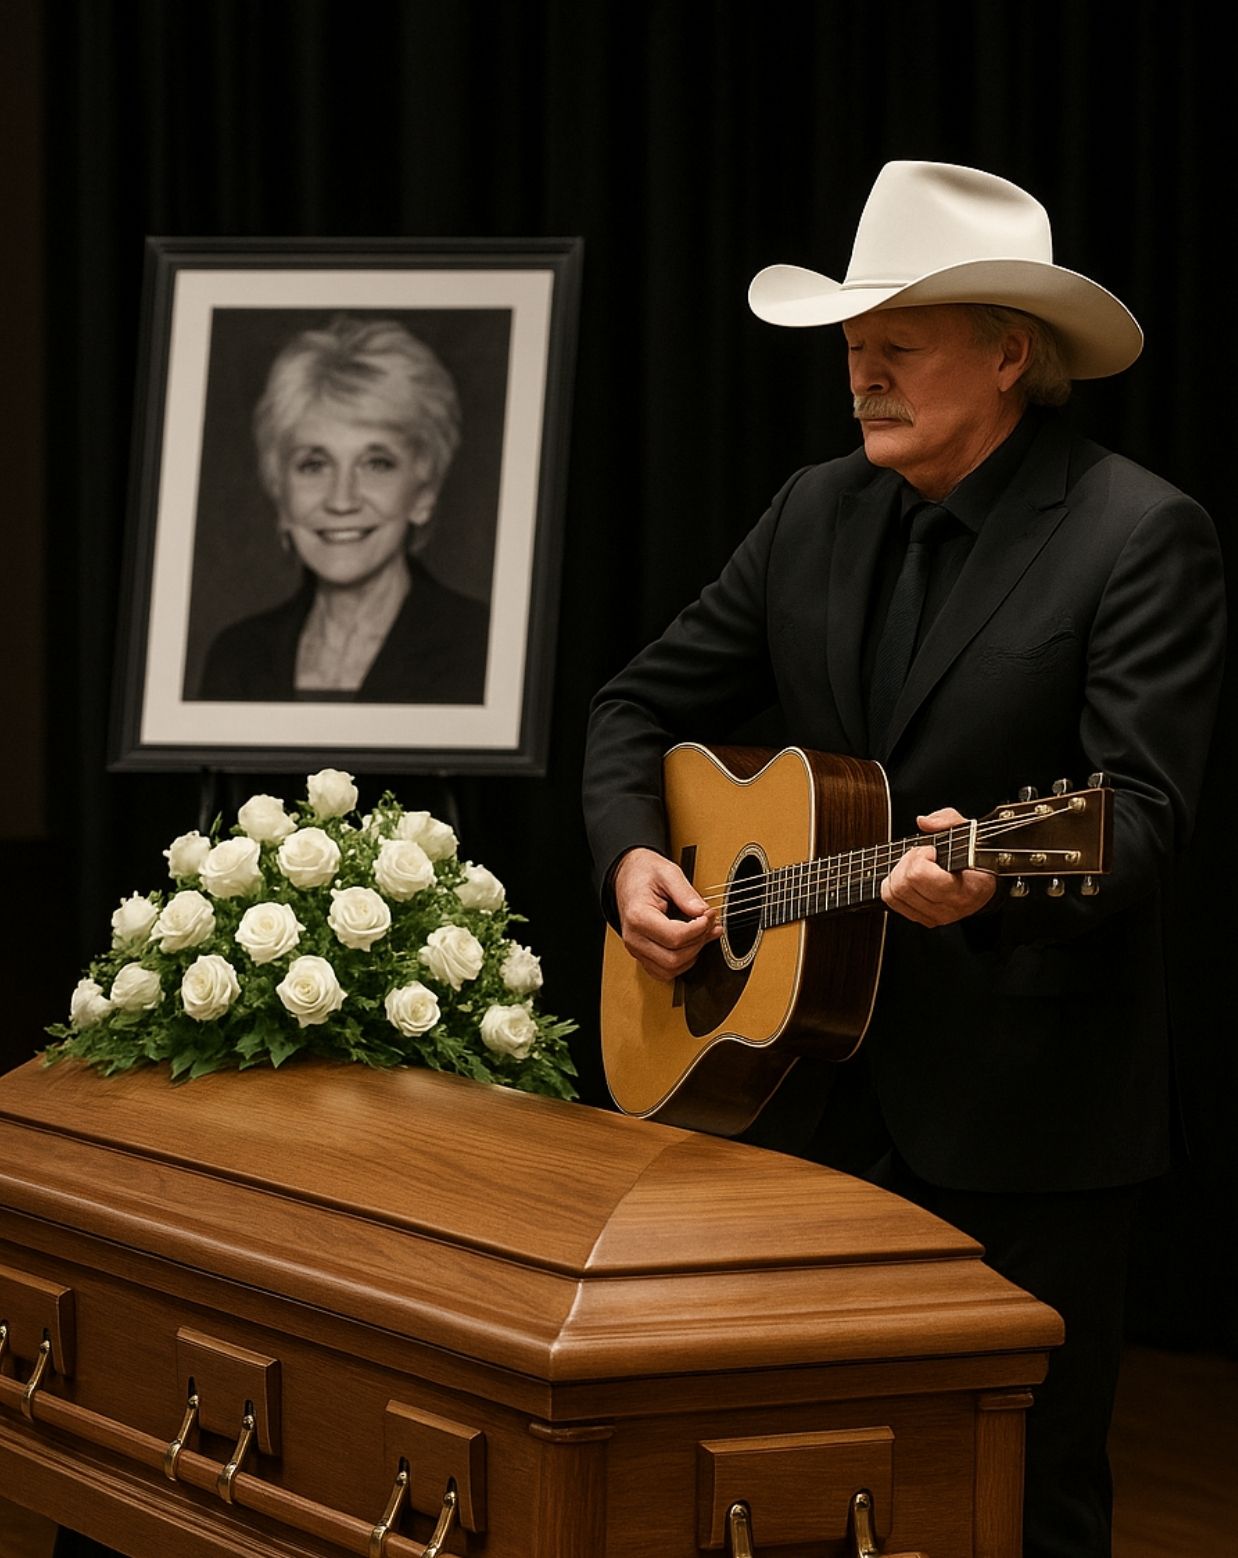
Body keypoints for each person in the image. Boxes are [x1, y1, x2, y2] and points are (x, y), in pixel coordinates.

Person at [582, 161, 1226, 1558]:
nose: (860, 372)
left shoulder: (1134, 533)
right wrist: (634, 857)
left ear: (1008, 355)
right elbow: (633, 706)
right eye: (852, 343)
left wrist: (992, 884)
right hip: (799, 1095)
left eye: (899, 342)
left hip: (1024, 1116)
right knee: (797, 1487)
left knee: (1018, 1500)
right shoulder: (811, 510)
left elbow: (1139, 811)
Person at [198, 313, 489, 704]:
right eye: (314, 465)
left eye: (377, 464)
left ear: (424, 493)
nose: (341, 500)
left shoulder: (483, 649)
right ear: (280, 493)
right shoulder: (238, 658)